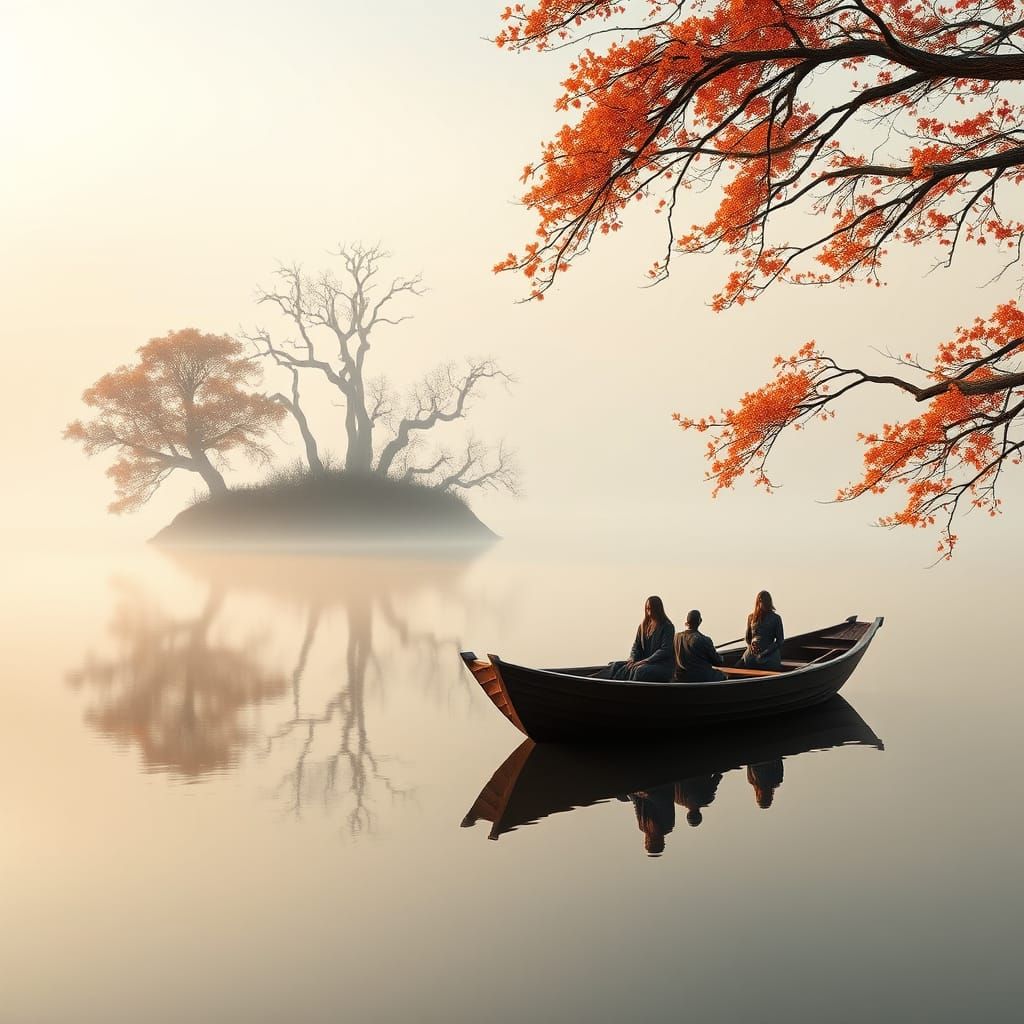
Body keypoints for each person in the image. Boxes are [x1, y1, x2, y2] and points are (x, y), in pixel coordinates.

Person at [594, 596, 675, 682]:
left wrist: (646, 661)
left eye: (652, 609)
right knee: (615, 665)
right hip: (642, 662)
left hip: (662, 665)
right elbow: (636, 645)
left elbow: (665, 650)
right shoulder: (643, 626)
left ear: (658, 609)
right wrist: (632, 658)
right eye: (648, 609)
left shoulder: (667, 626)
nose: (650, 612)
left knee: (640, 671)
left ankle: (629, 690)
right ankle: (594, 680)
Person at [673, 609, 727, 682]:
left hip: (681, 677)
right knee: (723, 675)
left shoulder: (676, 637)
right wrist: (722, 659)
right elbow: (717, 661)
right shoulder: (704, 640)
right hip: (700, 677)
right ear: (700, 621)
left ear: (687, 622)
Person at [740, 590, 784, 670]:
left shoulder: (776, 618)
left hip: (769, 656)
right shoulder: (751, 617)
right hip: (752, 656)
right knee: (738, 666)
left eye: (764, 601)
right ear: (757, 602)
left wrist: (765, 652)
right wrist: (751, 646)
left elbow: (780, 641)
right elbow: (748, 638)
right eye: (760, 601)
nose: (762, 604)